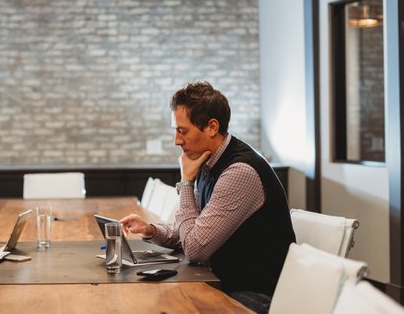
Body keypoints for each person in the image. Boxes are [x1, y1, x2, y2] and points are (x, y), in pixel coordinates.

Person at [120, 81, 295, 314]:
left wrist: (185, 183)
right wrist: (151, 231)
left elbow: (195, 248)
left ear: (211, 127)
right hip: (224, 282)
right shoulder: (207, 162)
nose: (177, 141)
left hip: (256, 296)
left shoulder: (240, 171)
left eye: (182, 131)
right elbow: (194, 232)